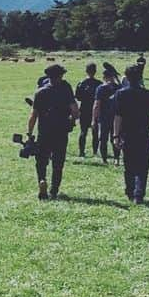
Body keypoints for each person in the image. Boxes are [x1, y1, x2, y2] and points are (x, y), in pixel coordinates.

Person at [113, 64, 149, 204]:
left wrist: (115, 135)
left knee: (129, 166)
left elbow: (118, 116)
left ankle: (130, 192)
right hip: (143, 134)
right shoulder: (148, 94)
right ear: (141, 77)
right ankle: (139, 195)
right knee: (143, 167)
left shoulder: (121, 94)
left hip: (127, 134)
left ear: (127, 78)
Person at [27, 64, 79, 200]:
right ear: (61, 76)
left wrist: (29, 133)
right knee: (58, 162)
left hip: (44, 131)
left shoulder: (40, 92)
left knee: (41, 160)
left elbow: (33, 115)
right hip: (61, 131)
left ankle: (42, 180)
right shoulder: (66, 90)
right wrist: (72, 120)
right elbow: (75, 111)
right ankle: (54, 190)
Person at [75, 62, 102, 157]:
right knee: (95, 132)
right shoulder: (99, 84)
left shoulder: (81, 83)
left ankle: (81, 152)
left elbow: (78, 97)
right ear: (95, 71)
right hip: (95, 110)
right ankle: (95, 152)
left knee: (83, 131)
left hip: (84, 109)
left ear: (86, 71)